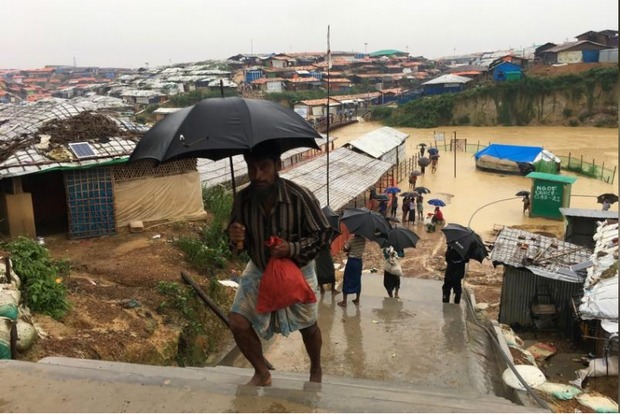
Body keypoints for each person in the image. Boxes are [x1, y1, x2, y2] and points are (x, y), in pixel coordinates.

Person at [227, 140, 331, 386]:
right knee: (237, 322)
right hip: (260, 267)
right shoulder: (242, 199)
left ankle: (316, 369)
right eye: (252, 168)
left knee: (308, 325)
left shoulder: (300, 196)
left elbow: (324, 236)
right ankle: (262, 372)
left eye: (264, 167)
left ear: (277, 166)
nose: (257, 175)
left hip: (297, 268)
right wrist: (235, 238)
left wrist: (291, 248)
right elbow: (235, 247)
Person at [337, 234, 366, 308]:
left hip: (351, 262)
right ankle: (357, 299)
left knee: (347, 279)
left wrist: (346, 243)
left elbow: (345, 249)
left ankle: (344, 301)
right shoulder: (363, 240)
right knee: (357, 280)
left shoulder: (352, 239)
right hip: (359, 262)